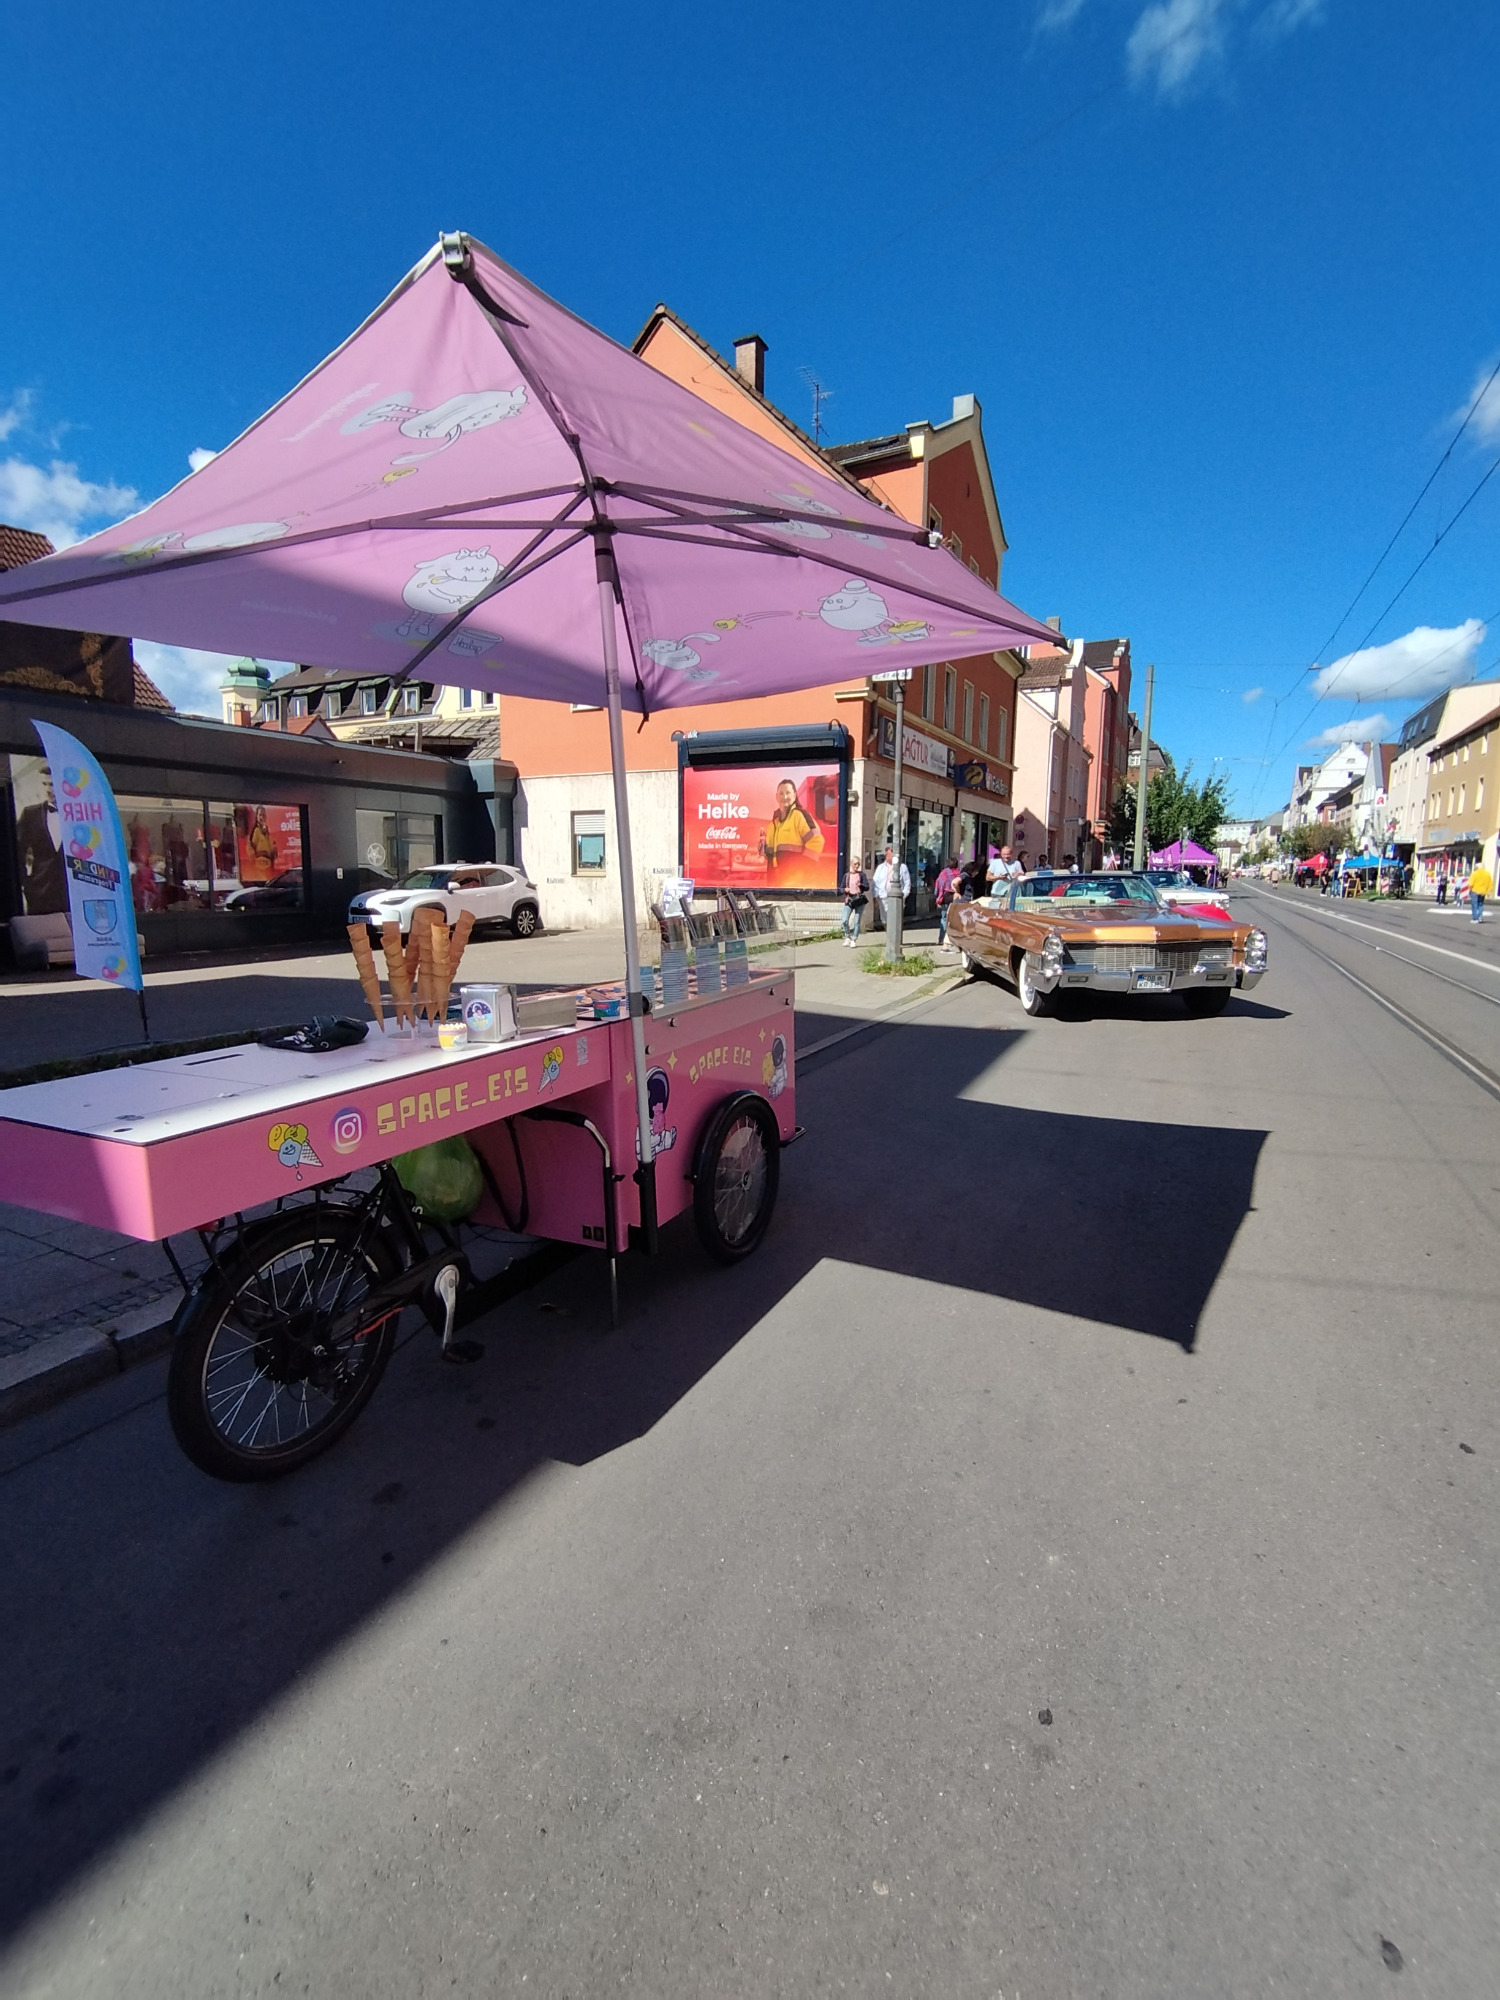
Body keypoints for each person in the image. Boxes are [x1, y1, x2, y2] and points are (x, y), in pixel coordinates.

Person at [760, 778, 824, 868]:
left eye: (788, 793)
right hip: (774, 875)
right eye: (781, 793)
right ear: (777, 797)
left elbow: (816, 840)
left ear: (794, 795)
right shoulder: (772, 825)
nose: (785, 797)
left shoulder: (799, 815)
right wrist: (762, 848)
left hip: (794, 876)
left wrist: (804, 868)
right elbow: (769, 854)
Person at [872, 845, 910, 930]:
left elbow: (907, 883)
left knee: (896, 919)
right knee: (885, 919)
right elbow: (875, 883)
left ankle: (895, 935)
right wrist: (875, 896)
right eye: (888, 854)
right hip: (884, 897)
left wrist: (903, 895)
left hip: (898, 898)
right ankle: (889, 934)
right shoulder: (881, 868)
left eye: (892, 854)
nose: (890, 856)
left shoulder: (902, 867)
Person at [934, 854, 962, 949]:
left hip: (945, 897)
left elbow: (938, 886)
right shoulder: (959, 873)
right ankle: (952, 940)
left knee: (944, 918)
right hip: (956, 897)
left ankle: (942, 939)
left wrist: (937, 898)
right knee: (954, 919)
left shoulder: (944, 873)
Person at [841, 860, 869, 947]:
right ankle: (847, 936)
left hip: (859, 900)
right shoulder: (846, 875)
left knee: (856, 921)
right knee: (844, 920)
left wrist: (860, 885)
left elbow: (867, 887)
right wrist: (845, 890)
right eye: (855, 864)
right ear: (851, 864)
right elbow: (841, 888)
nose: (857, 866)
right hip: (849, 900)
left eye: (858, 864)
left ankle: (854, 939)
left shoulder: (862, 875)